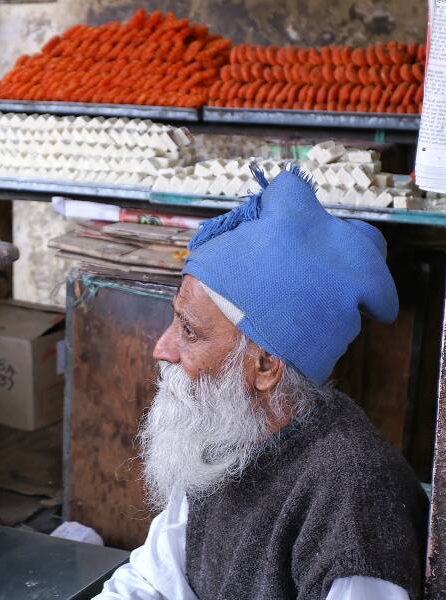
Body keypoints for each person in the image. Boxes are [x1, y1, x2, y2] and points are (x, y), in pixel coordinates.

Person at [95, 165, 428, 600]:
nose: (162, 348)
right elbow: (151, 582)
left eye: (190, 331)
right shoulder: (222, 433)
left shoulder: (353, 496)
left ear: (266, 367)